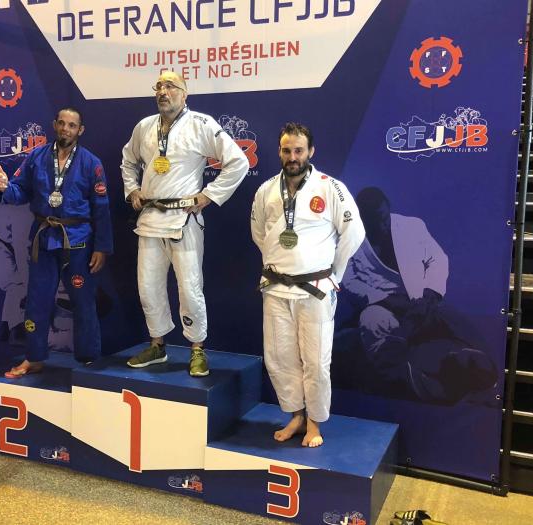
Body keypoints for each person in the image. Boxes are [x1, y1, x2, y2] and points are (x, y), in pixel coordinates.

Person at [121, 71, 248, 377]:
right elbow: (128, 160)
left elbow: (238, 162)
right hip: (150, 218)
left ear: (185, 93)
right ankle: (157, 345)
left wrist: (208, 195)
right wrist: (132, 189)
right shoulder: (144, 127)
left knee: (190, 288)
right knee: (148, 287)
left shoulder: (201, 124)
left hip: (184, 219)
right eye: (159, 86)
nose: (163, 91)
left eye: (170, 86)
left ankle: (197, 349)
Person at [251, 122, 365, 446]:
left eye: (299, 150)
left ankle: (314, 423)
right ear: (279, 152)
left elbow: (353, 233)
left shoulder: (330, 188)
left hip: (315, 289)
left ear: (310, 151)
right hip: (276, 287)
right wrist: (280, 262)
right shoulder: (266, 190)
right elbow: (259, 233)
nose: (293, 157)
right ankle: (296, 416)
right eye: (287, 150)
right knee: (280, 358)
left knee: (315, 360)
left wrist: (333, 273)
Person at [335, 187, 497, 404]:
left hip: (421, 301)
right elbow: (347, 280)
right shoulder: (348, 238)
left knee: (454, 321)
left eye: (384, 218)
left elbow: (436, 259)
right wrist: (384, 300)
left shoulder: (411, 226)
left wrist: (431, 293)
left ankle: (476, 371)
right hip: (381, 305)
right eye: (375, 222)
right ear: (361, 217)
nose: (382, 226)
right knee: (372, 321)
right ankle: (401, 377)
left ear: (388, 210)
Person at [0, 107, 113, 378]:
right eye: (62, 123)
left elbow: (101, 208)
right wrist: (5, 188)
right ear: (54, 125)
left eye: (72, 125)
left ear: (80, 130)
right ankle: (34, 357)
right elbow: (20, 191)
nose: (66, 129)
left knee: (83, 301)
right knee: (37, 301)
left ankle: (89, 359)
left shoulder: (91, 163)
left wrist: (102, 247)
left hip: (78, 241)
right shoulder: (36, 157)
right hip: (44, 239)